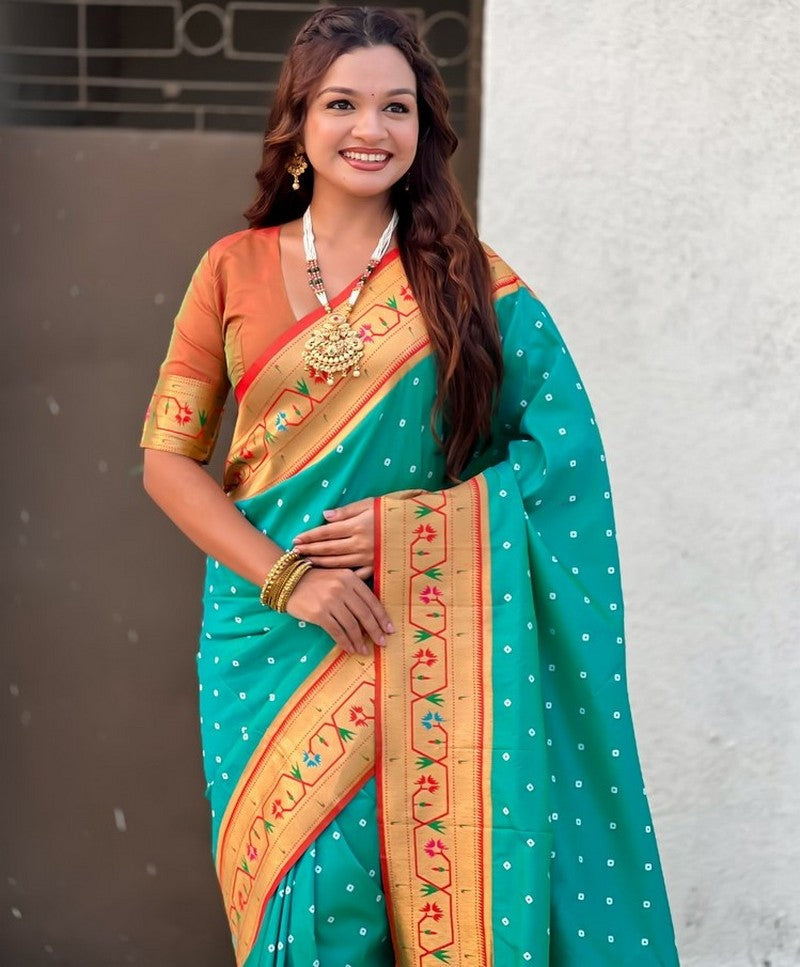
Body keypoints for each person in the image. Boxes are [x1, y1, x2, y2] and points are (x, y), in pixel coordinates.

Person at [141, 6, 679, 965]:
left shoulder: (473, 285)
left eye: (397, 107)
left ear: (423, 130)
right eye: (342, 103)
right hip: (264, 642)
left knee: (421, 902)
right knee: (303, 913)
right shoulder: (230, 269)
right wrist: (289, 580)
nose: (371, 128)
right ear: (298, 123)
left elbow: (566, 463)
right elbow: (168, 461)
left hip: (412, 630)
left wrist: (417, 528)